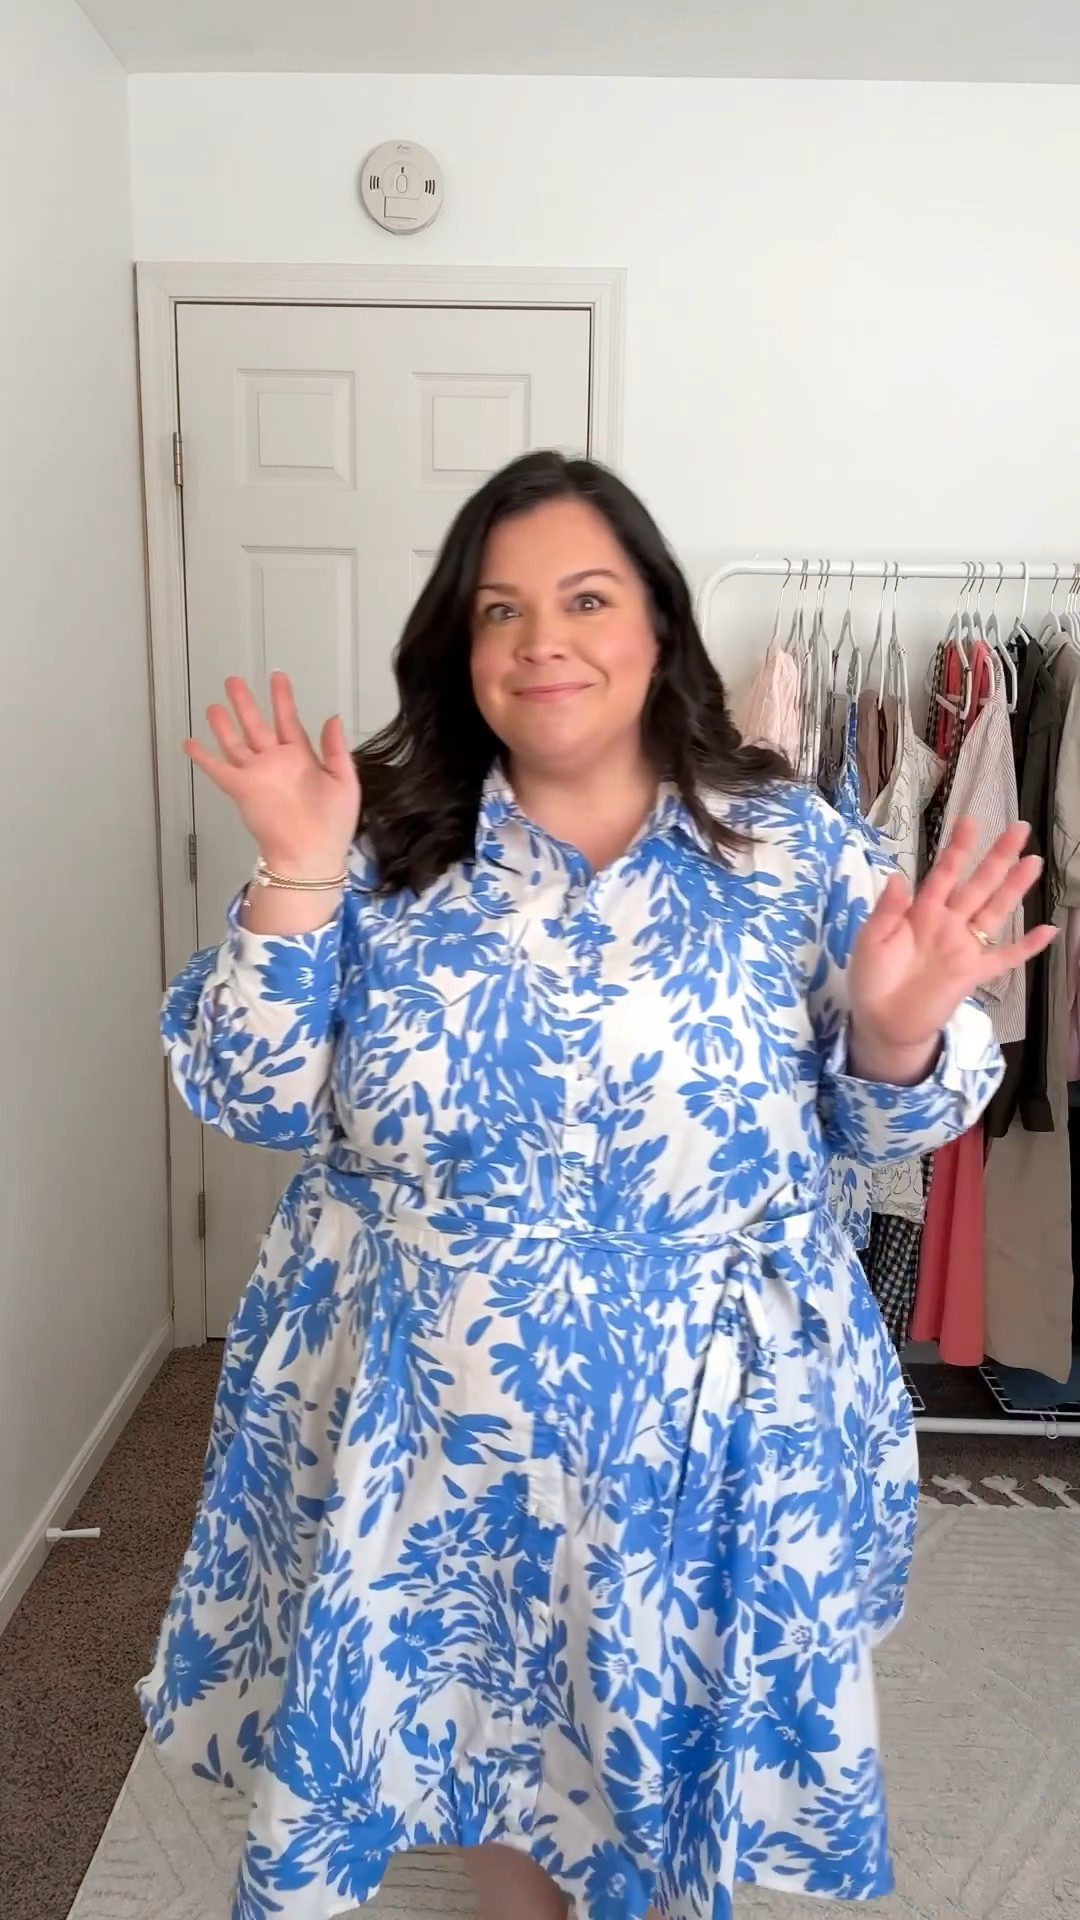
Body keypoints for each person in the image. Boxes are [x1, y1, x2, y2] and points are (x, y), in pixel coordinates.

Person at [139, 452, 1050, 1920]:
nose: (540, 639)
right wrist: (295, 879)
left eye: (583, 597)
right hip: (427, 1417)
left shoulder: (785, 845)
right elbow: (245, 1095)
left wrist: (893, 1022)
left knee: (659, 1731)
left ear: (659, 629)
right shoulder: (373, 834)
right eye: (499, 609)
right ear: (459, 645)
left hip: (707, 1414)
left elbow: (893, 1121)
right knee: (504, 1736)